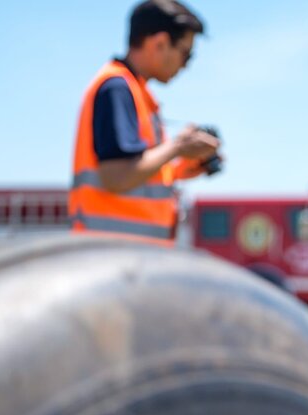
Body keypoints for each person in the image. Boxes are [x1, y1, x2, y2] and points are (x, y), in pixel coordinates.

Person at [69, 0, 221, 244]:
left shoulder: (134, 92)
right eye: (186, 54)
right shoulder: (117, 88)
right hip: (114, 252)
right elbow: (116, 176)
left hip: (122, 253)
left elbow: (133, 173)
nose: (185, 65)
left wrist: (179, 169)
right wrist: (178, 147)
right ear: (159, 43)